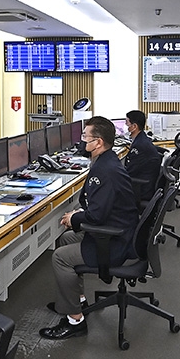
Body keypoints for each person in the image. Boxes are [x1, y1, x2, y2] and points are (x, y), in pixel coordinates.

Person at [40, 116, 140, 340]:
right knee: (66, 239)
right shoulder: (107, 161)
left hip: (116, 242)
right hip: (122, 231)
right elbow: (100, 206)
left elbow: (96, 215)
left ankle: (75, 320)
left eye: (86, 137)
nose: (82, 140)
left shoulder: (105, 171)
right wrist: (78, 214)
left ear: (98, 142)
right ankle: (78, 300)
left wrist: (74, 217)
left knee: (60, 257)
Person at [122, 110, 162, 202]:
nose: (125, 125)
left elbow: (130, 171)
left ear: (134, 126)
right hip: (146, 183)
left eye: (127, 123)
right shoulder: (142, 139)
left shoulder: (139, 146)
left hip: (142, 189)